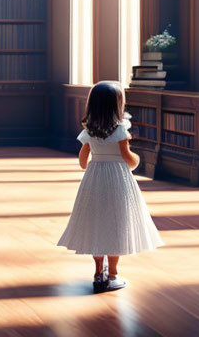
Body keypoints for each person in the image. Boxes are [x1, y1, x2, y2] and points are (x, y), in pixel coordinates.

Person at [57, 81, 164, 292]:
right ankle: (113, 274)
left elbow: (82, 162)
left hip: (95, 178)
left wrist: (97, 160)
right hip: (117, 180)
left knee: (96, 224)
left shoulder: (89, 131)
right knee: (117, 226)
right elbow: (129, 160)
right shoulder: (121, 131)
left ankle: (98, 272)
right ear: (117, 105)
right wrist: (137, 159)